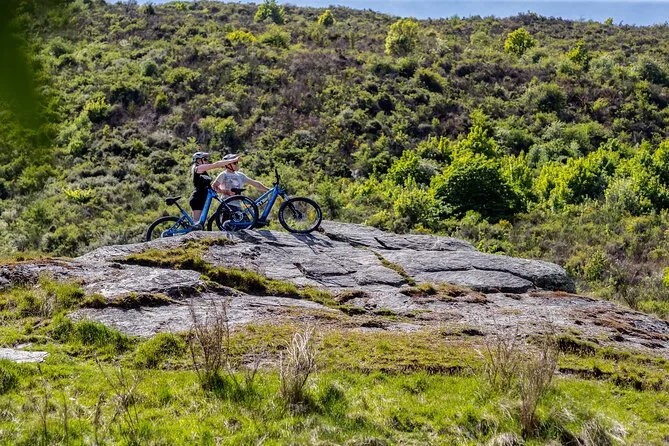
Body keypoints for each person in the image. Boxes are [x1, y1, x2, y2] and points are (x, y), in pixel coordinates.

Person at [189, 151, 238, 228]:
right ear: (198, 160)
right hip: (197, 198)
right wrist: (233, 160)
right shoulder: (198, 168)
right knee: (197, 224)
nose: (207, 161)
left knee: (200, 224)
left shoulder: (203, 171)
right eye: (205, 159)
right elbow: (216, 164)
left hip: (203, 198)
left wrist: (225, 191)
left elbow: (210, 187)